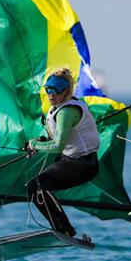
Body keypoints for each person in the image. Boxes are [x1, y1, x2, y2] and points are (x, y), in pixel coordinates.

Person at [24, 68, 100, 237]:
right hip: (69, 160)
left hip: (84, 164)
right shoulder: (57, 108)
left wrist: (35, 145)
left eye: (56, 91)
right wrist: (42, 140)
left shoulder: (67, 111)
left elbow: (58, 145)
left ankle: (64, 228)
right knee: (34, 187)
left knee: (37, 185)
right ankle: (60, 226)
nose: (51, 95)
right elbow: (55, 136)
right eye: (48, 90)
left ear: (66, 91)